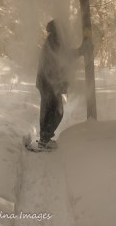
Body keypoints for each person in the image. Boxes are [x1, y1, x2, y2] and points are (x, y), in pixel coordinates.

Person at [36, 19, 84, 149]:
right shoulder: (53, 42)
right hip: (48, 82)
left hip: (47, 82)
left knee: (51, 110)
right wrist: (80, 51)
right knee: (56, 111)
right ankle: (44, 139)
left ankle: (44, 139)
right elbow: (64, 57)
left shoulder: (53, 41)